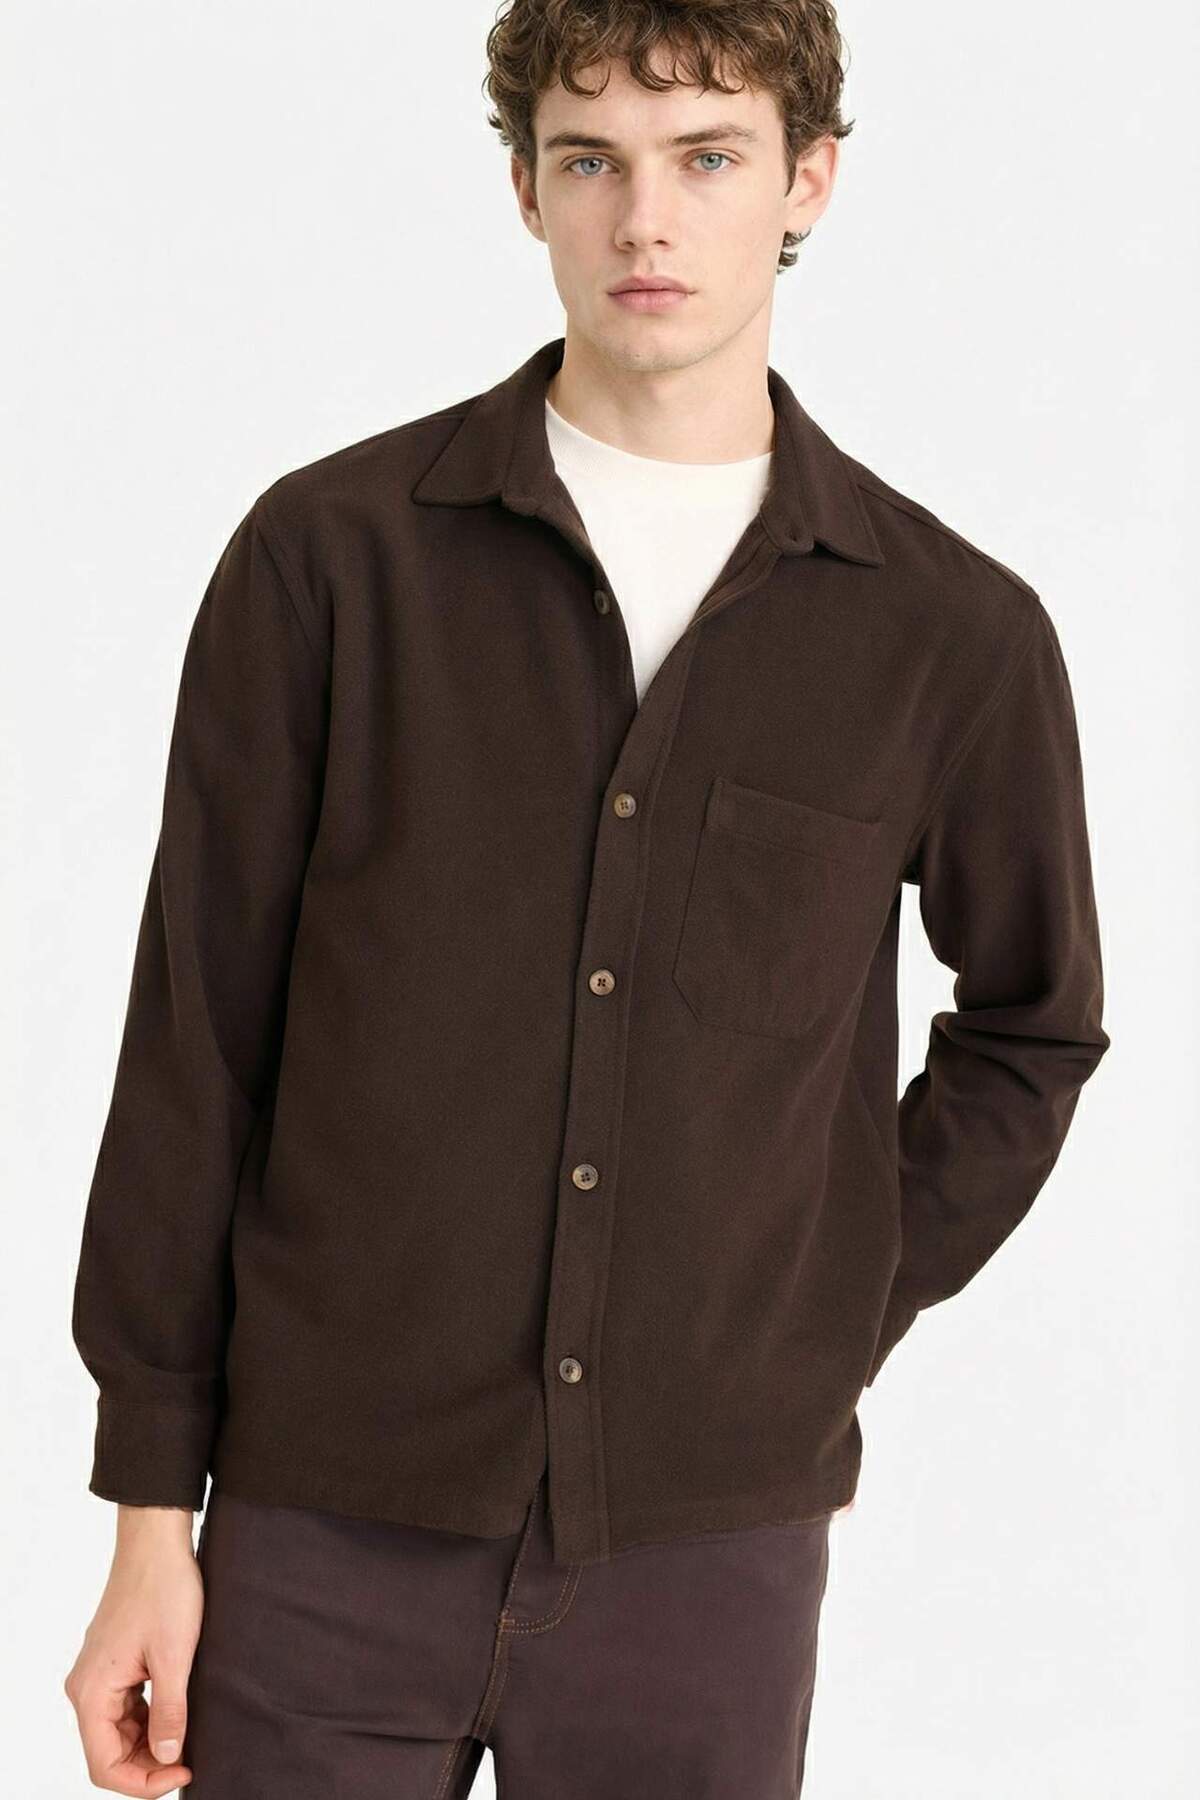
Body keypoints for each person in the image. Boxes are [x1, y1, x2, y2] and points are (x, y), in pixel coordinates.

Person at [62, 2, 1110, 1795]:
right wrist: (150, 1518)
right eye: (590, 160)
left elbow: (1033, 1027)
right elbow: (196, 1041)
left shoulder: (951, 632)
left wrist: (818, 1296)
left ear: (809, 181)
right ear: (526, 191)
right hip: (323, 1522)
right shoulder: (331, 561)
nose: (646, 221)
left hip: (705, 1558)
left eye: (707, 157)